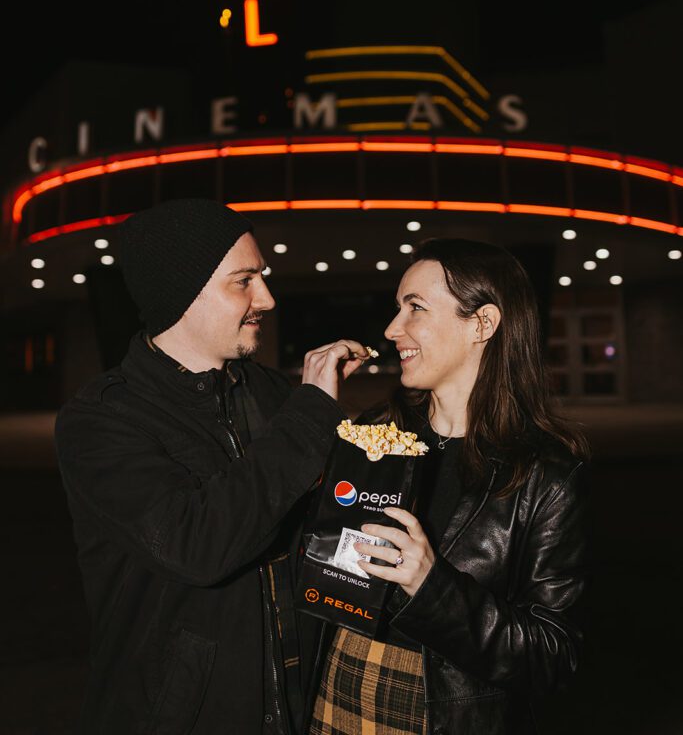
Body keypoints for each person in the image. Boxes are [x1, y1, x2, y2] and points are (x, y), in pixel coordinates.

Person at [54, 197, 371, 735]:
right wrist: (312, 410)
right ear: (182, 291)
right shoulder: (101, 420)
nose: (267, 298)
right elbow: (197, 546)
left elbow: (324, 520)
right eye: (244, 280)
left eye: (262, 277)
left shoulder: (276, 395)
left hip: (298, 708)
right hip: (181, 718)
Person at [303, 237, 591, 735]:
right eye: (398, 308)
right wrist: (313, 418)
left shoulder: (547, 473)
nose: (394, 329)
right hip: (337, 690)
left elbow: (552, 654)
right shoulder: (374, 432)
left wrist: (431, 587)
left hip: (446, 714)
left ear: (483, 323)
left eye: (415, 307)